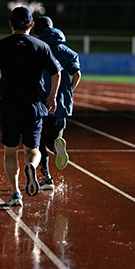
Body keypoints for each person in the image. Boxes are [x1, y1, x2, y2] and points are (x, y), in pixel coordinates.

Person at [0, 7, 62, 207]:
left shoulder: (1, 46)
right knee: (33, 149)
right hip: (34, 105)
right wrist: (52, 96)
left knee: (10, 151)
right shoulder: (41, 46)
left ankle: (15, 192)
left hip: (9, 105)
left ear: (10, 24)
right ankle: (31, 166)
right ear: (31, 25)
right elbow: (56, 73)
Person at [32, 16, 81, 190]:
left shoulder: (37, 48)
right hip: (60, 101)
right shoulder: (67, 51)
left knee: (37, 141)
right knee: (53, 138)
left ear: (36, 31)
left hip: (39, 100)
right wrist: (69, 91)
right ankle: (57, 146)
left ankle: (46, 178)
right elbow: (77, 74)